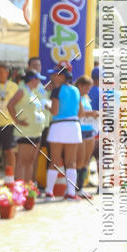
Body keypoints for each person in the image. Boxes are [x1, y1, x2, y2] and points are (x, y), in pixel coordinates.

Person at [45, 64, 82, 200]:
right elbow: (80, 112)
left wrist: (47, 106)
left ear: (61, 77)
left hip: (59, 126)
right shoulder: (76, 90)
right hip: (73, 126)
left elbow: (54, 111)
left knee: (54, 161)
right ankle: (71, 193)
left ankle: (49, 192)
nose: (52, 76)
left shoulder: (56, 90)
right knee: (71, 162)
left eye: (55, 74)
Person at [7, 69, 47, 182]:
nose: (39, 82)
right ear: (32, 80)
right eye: (38, 79)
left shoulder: (33, 92)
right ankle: (20, 187)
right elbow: (10, 105)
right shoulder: (22, 91)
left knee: (30, 161)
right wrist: (17, 120)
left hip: (36, 132)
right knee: (22, 161)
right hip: (25, 132)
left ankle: (28, 186)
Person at [75, 75, 99, 198]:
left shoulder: (85, 97)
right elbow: (78, 113)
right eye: (87, 88)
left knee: (86, 161)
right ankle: (75, 188)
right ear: (80, 86)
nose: (88, 91)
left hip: (89, 129)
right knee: (79, 161)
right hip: (80, 130)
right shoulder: (76, 96)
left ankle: (81, 188)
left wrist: (93, 114)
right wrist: (92, 113)